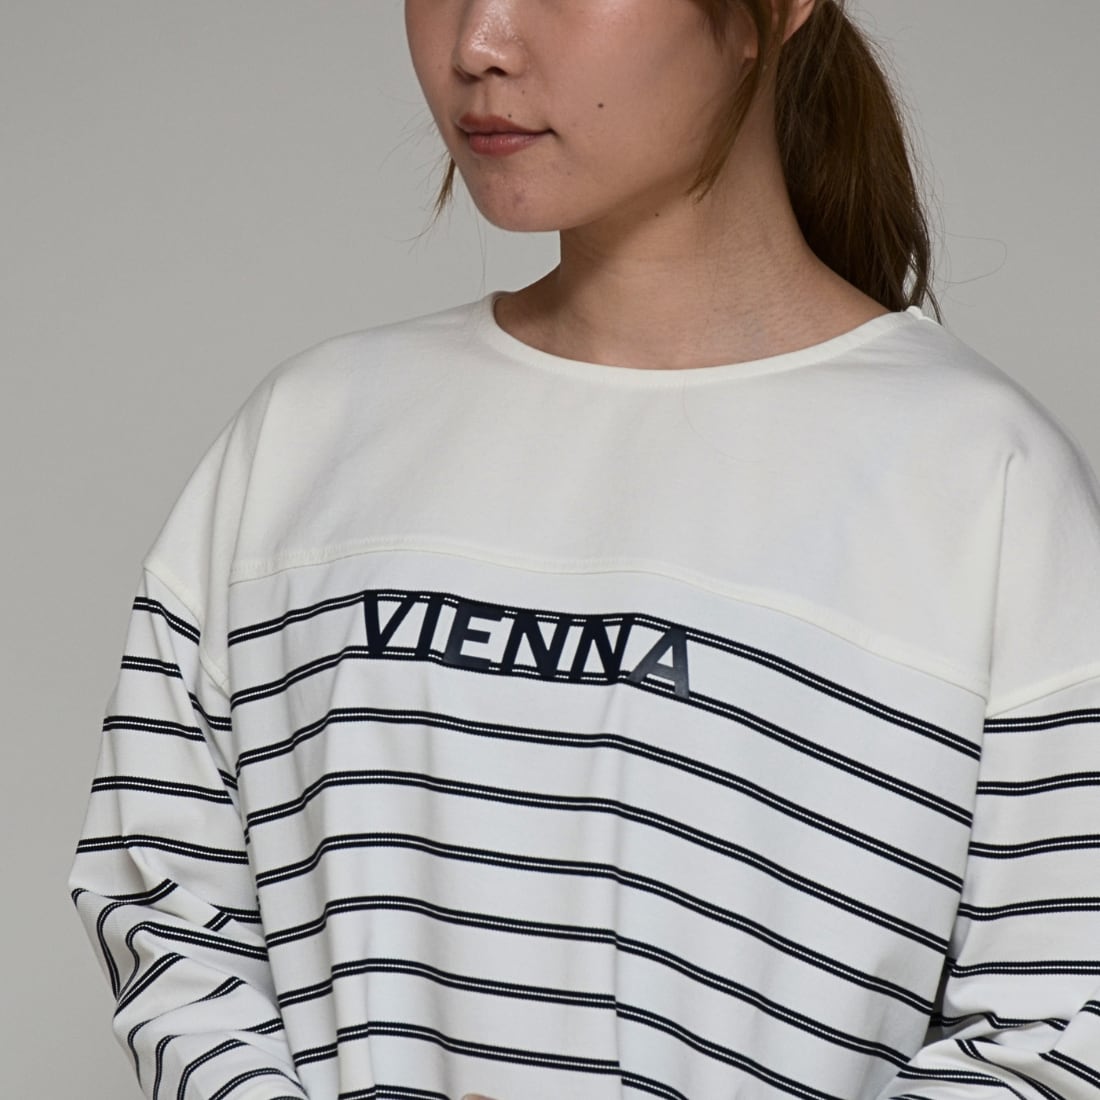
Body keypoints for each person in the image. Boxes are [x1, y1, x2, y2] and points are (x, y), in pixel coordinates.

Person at [68, 1, 1100, 1098]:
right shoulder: (307, 439)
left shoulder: (980, 481)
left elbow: (1057, 1024)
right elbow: (171, 915)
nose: (479, 43)